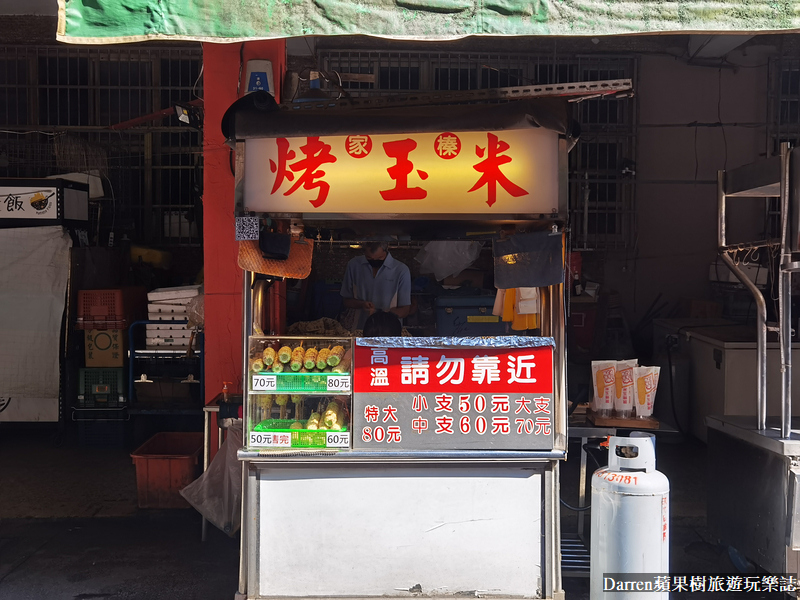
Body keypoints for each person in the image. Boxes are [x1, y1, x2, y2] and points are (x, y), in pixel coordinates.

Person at [340, 241, 411, 330]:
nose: (374, 262)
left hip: (389, 330)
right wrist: (362, 304)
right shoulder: (354, 265)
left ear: (386, 251)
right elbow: (346, 301)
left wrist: (382, 314)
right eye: (369, 258)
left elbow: (405, 310)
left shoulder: (401, 270)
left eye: (379, 258)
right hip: (359, 329)